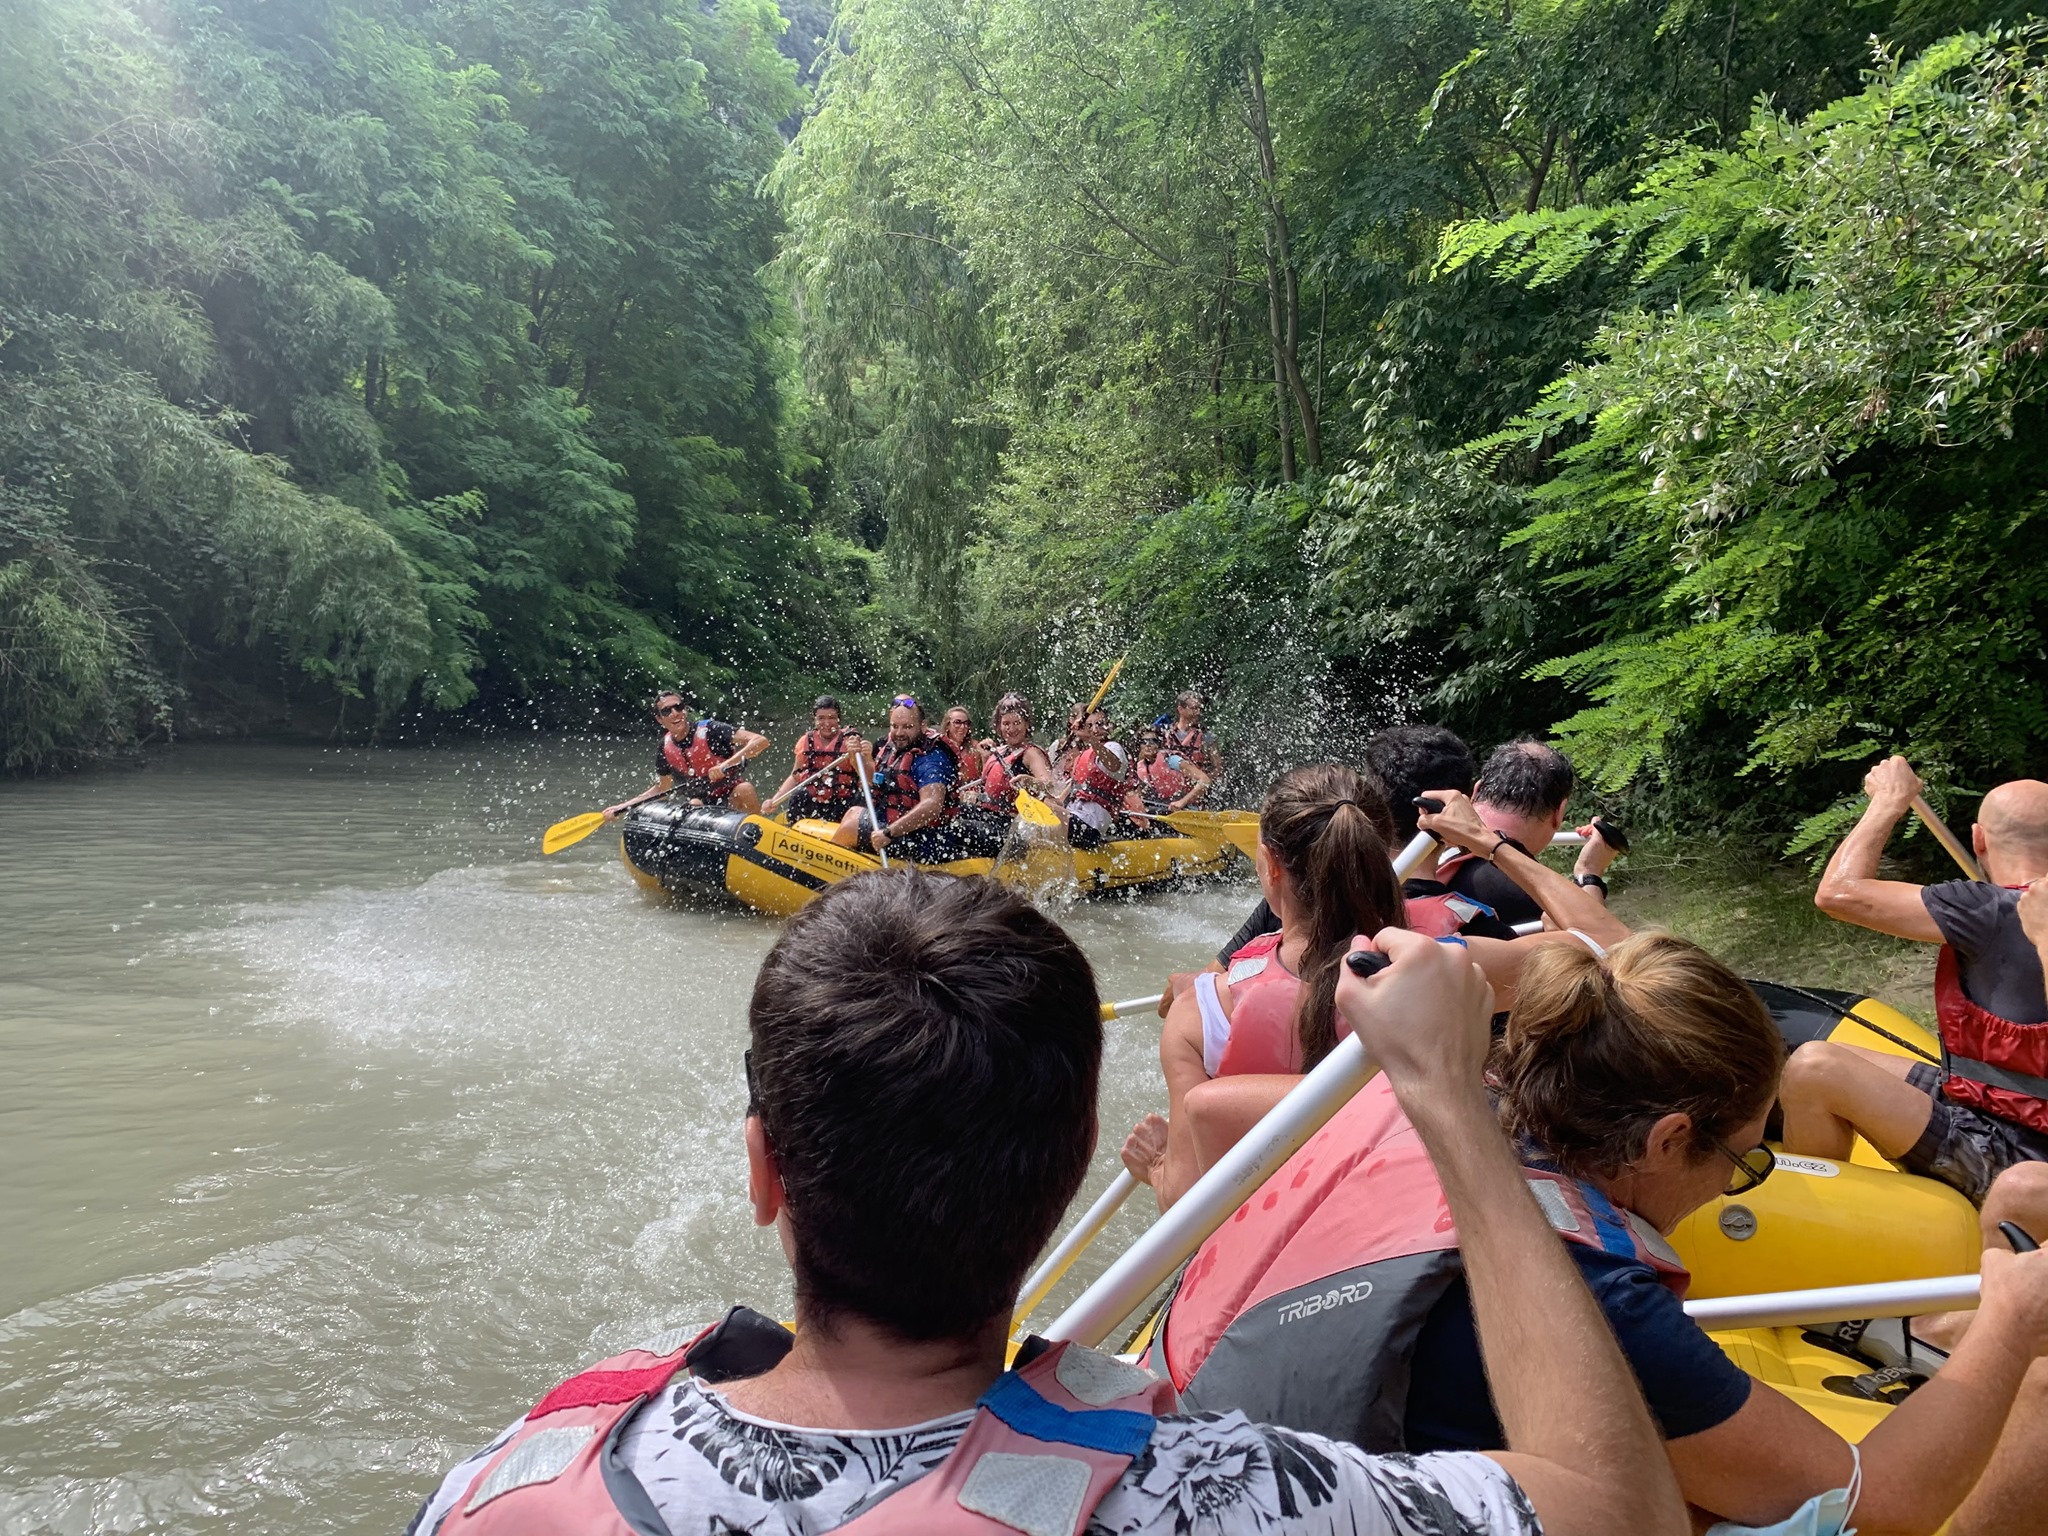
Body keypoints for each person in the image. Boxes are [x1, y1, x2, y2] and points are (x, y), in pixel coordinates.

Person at [411, 870, 1689, 1536]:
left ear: (763, 1172)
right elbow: (1614, 1515)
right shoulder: (1206, 1497)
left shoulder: (495, 1486)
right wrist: (1450, 1103)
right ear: (1075, 1157)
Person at [1152, 929, 2048, 1536]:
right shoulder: (1598, 1294)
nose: (1737, 1184)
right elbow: (1875, 1497)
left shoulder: (1414, 1096)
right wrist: (2008, 1317)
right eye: (1744, 1161)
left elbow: (1214, 1108)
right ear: (1667, 1139)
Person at [1123, 768, 1627, 1211]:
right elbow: (1612, 946)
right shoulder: (1442, 966)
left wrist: (1157, 1165)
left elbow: (1186, 1202)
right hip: (1413, 1220)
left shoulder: (1201, 1011)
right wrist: (1492, 844)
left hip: (1282, 1252)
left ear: (1271, 866)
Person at [1780, 756, 2048, 1233]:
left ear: (1978, 840)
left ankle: (1824, 1229)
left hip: (2014, 1153)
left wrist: (1888, 801)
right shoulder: (2011, 910)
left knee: (1812, 1069)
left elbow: (1837, 894)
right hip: (1999, 1108)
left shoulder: (1986, 909)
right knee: (1838, 1054)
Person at [1418, 738, 1620, 928]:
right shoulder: (1535, 897)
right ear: (1559, 813)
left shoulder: (1419, 855)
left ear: (1476, 791)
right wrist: (1589, 874)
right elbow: (1601, 946)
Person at [828, 695, 965, 863]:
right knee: (853, 812)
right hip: (899, 825)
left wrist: (889, 832)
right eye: (895, 726)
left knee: (851, 826)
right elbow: (876, 781)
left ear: (923, 726)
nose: (899, 733)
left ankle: (827, 879)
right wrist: (856, 760)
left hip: (927, 839)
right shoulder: (894, 746)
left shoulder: (931, 759)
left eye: (907, 726)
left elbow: (932, 806)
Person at [604, 692, 768, 819]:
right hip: (701, 802)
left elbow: (760, 741)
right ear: (660, 719)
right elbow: (662, 788)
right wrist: (622, 807)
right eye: (667, 711)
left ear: (685, 709)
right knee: (694, 804)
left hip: (732, 795)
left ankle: (757, 839)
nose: (675, 713)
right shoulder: (664, 747)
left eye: (679, 707)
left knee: (744, 789)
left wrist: (725, 765)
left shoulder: (711, 730)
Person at [768, 695, 869, 823]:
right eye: (821, 718)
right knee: (798, 795)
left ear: (839, 719)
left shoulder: (851, 741)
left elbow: (867, 778)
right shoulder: (805, 741)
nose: (827, 723)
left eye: (831, 718)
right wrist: (774, 800)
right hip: (812, 802)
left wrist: (858, 754)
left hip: (842, 803)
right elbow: (795, 776)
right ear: (814, 719)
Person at [1061, 707, 1141, 848]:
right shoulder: (1081, 756)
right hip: (1075, 819)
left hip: (1091, 827)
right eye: (1089, 726)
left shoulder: (1113, 748)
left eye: (1099, 724)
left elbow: (1113, 765)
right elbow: (1060, 800)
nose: (1095, 730)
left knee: (1050, 817)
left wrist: (1091, 740)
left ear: (1108, 726)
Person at [1133, 725, 1211, 814]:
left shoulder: (1171, 760)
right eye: (1144, 742)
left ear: (1159, 744)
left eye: (1153, 741)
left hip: (1189, 808)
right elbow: (1139, 794)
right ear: (1139, 746)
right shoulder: (1142, 767)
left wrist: (1182, 802)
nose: (1148, 745)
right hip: (1165, 808)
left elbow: (1205, 780)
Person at [1164, 688, 1220, 779]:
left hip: (1197, 788)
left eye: (1199, 708)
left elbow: (1218, 768)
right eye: (1194, 708)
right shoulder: (1165, 735)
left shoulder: (1206, 737)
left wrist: (1202, 782)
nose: (1198, 712)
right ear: (1181, 709)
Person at [939, 706, 984, 787]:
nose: (963, 727)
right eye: (957, 722)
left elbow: (984, 778)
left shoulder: (976, 749)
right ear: (947, 726)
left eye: (966, 723)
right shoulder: (939, 750)